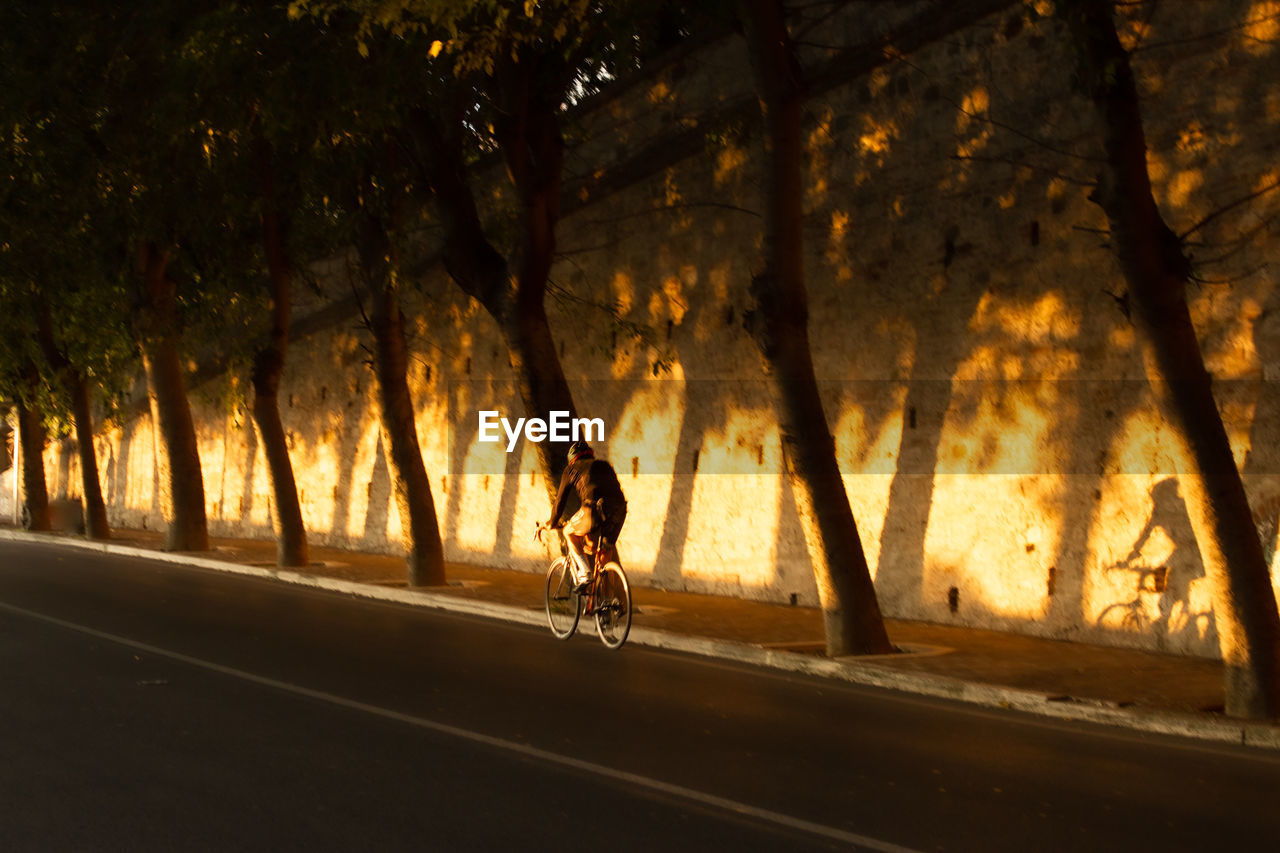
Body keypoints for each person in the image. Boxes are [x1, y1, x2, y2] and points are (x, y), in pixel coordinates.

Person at [546, 441, 627, 589]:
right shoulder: (604, 465)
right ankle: (607, 601)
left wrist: (551, 522)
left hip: (594, 507)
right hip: (619, 508)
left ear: (572, 459)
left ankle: (584, 573)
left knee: (568, 531)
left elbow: (559, 504)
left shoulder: (571, 469)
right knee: (604, 555)